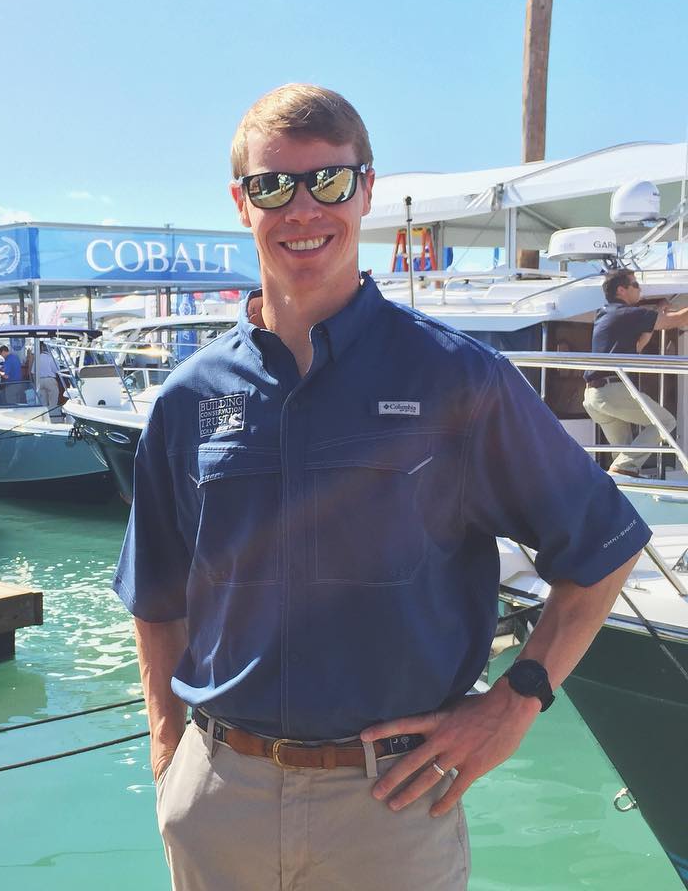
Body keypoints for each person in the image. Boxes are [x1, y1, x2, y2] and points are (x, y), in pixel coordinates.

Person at [115, 83, 650, 890]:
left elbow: (603, 548)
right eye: (273, 186)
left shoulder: (458, 379)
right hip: (219, 796)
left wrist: (516, 702)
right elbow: (157, 598)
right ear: (241, 202)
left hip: (391, 806)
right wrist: (167, 754)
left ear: (365, 189)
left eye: (328, 181)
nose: (302, 209)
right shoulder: (189, 398)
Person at [582, 269, 688, 477]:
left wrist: (655, 315)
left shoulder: (606, 313)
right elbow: (680, 320)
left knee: (625, 454)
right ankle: (625, 469)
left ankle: (624, 483)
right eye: (636, 285)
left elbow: (637, 346)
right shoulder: (628, 314)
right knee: (665, 422)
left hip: (594, 397)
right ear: (622, 290)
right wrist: (661, 315)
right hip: (610, 391)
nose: (640, 288)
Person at [35, 342, 61, 416]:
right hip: (50, 380)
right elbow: (56, 370)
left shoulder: (37, 357)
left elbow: (33, 371)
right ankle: (52, 416)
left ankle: (44, 417)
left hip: (39, 380)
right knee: (53, 401)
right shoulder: (51, 357)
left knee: (43, 402)